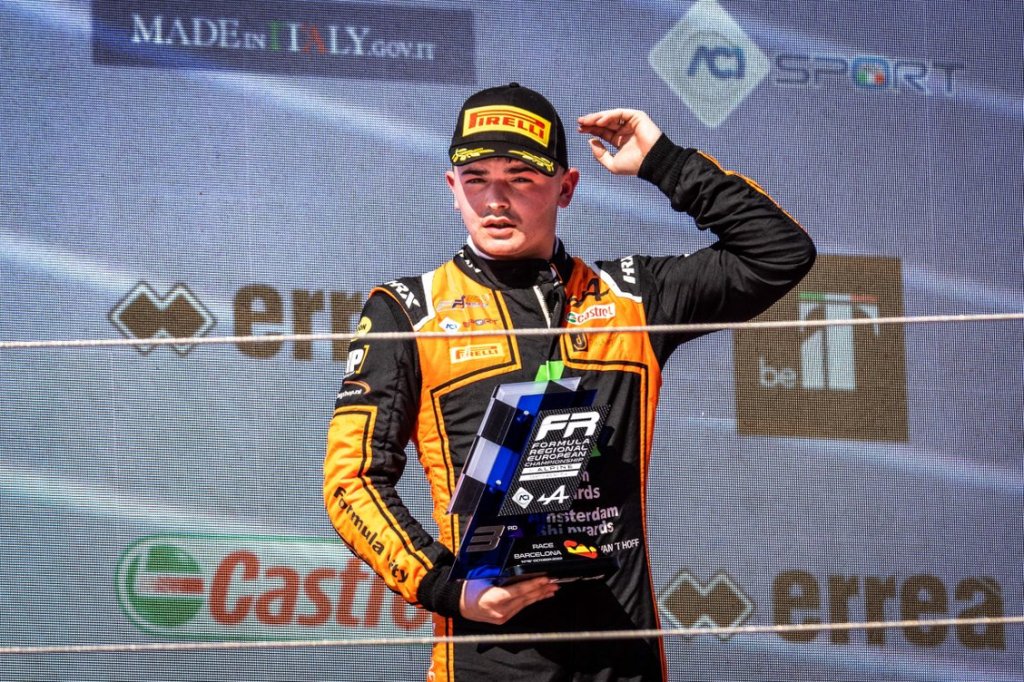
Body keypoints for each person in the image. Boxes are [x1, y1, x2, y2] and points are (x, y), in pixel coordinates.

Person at [325, 83, 815, 681]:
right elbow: (352, 481)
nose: (496, 199)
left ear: (567, 188)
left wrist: (664, 162)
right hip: (488, 657)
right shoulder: (408, 311)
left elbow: (780, 253)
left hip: (624, 656)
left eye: (522, 178)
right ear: (452, 191)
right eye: (476, 178)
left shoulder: (631, 297)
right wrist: (448, 589)